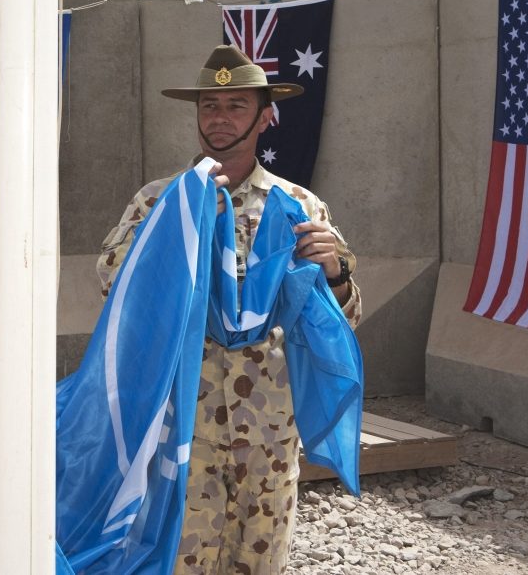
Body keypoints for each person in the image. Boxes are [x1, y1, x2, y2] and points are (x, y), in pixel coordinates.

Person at [97, 45, 362, 574]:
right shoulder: (160, 201)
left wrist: (336, 272)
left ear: (266, 116)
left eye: (236, 106)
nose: (220, 119)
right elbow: (111, 287)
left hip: (268, 426)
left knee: (260, 559)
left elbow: (343, 321)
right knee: (180, 557)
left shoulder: (299, 206)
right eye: (209, 107)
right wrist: (170, 240)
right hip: (182, 424)